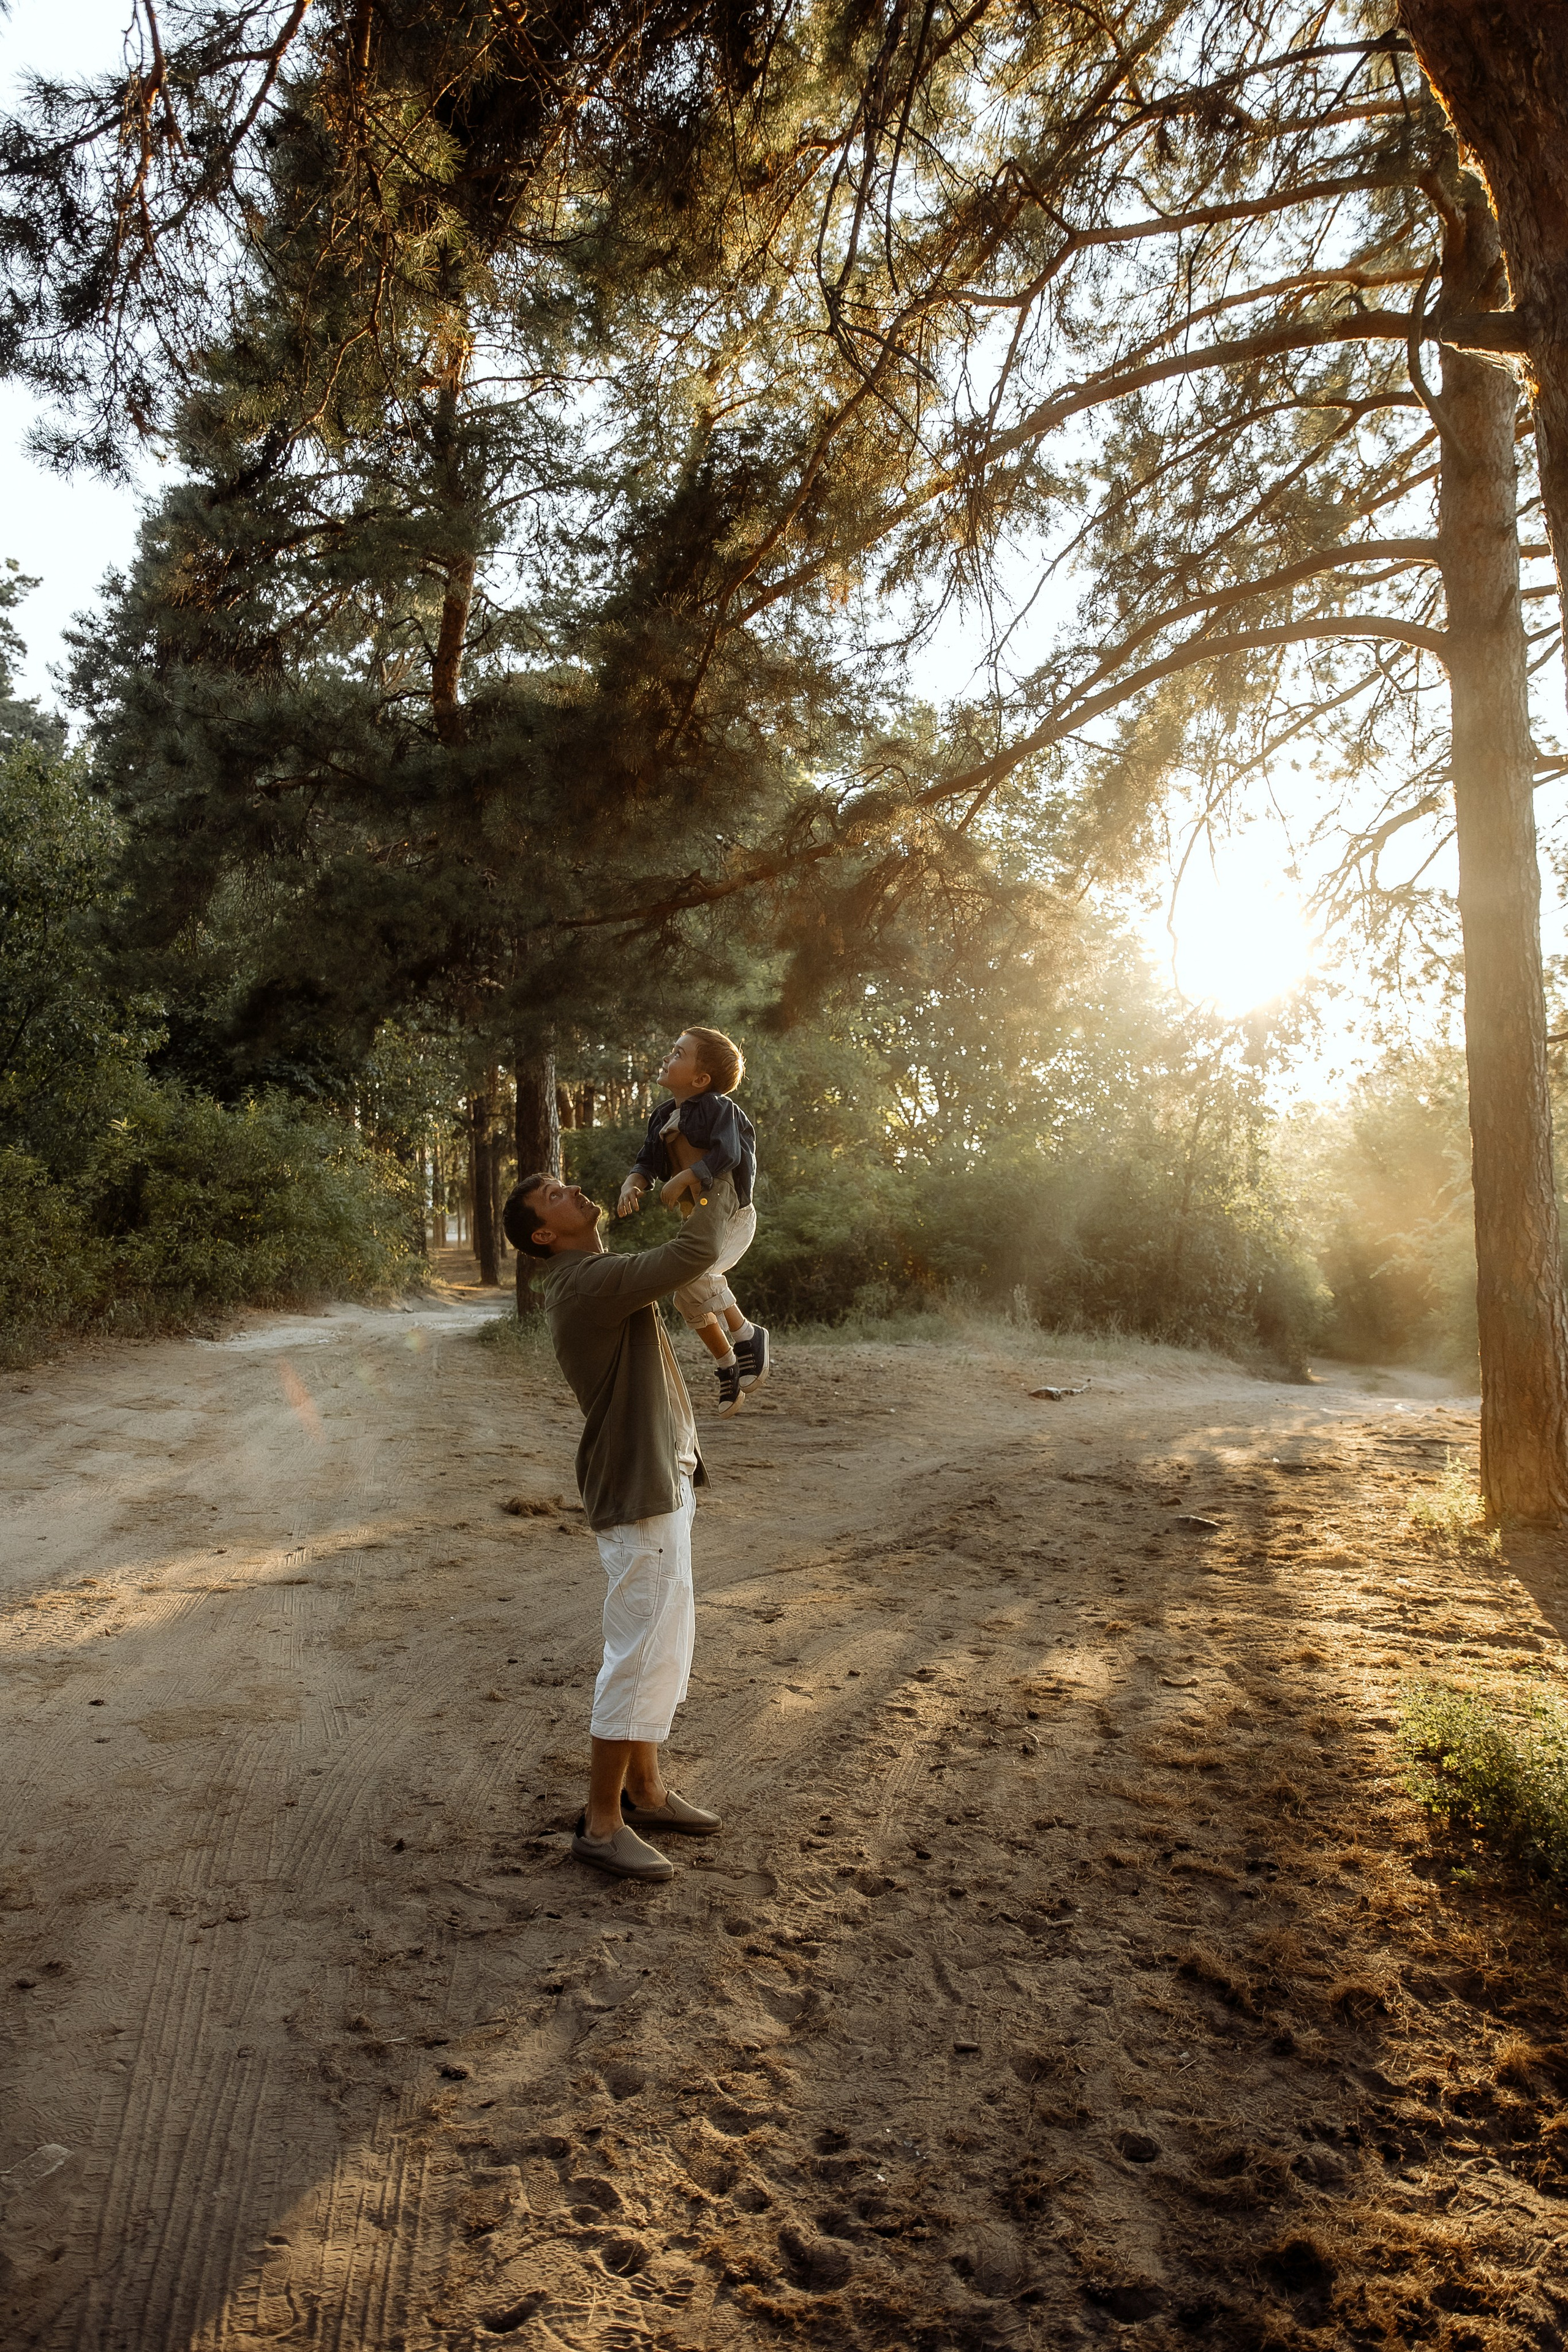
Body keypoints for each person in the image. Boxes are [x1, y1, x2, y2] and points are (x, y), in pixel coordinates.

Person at [502, 1169, 727, 1883]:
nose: (571, 1192)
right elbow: (692, 1254)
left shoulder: (591, 1274)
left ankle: (647, 1792)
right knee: (637, 1654)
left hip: (659, 1481)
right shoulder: (586, 1281)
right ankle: (601, 1825)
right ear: (545, 1234)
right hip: (636, 1494)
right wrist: (718, 1168)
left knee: (662, 1645)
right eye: (555, 1196)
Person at [616, 1026, 770, 1417]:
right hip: (702, 1214)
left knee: (694, 1275)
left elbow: (730, 1154)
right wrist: (633, 1183)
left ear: (701, 1079)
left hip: (730, 1214)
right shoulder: (663, 1115)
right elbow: (647, 1161)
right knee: (685, 1291)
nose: (668, 1058)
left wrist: (686, 1176)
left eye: (678, 1054)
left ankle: (748, 1336)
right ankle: (728, 1366)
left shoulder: (719, 1108)